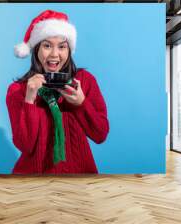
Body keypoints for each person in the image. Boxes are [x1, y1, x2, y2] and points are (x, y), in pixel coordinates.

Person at [6, 10, 109, 174]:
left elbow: (100, 134)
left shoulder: (84, 81)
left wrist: (81, 103)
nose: (54, 54)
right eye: (47, 45)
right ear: (37, 49)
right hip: (33, 180)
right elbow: (25, 146)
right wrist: (30, 100)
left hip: (79, 178)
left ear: (69, 50)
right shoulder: (18, 90)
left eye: (62, 46)